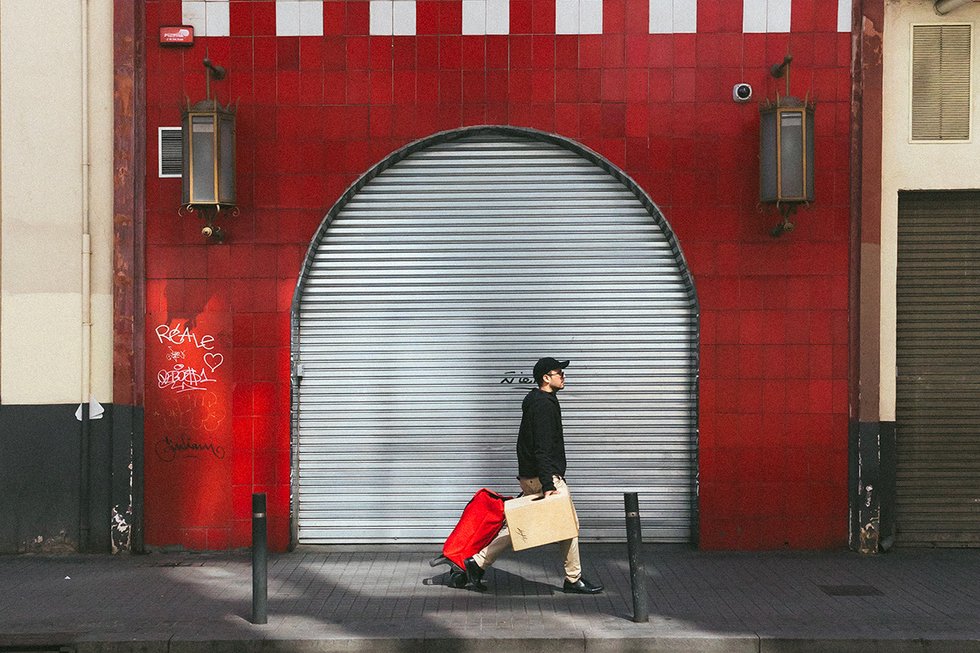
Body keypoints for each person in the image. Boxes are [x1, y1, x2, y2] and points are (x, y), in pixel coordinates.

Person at [463, 357, 603, 594]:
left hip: (534, 476)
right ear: (546, 378)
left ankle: (476, 563)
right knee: (569, 525)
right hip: (544, 477)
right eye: (559, 372)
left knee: (520, 524)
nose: (564, 376)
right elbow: (541, 447)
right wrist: (548, 483)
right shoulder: (543, 405)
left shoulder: (539, 401)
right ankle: (573, 579)